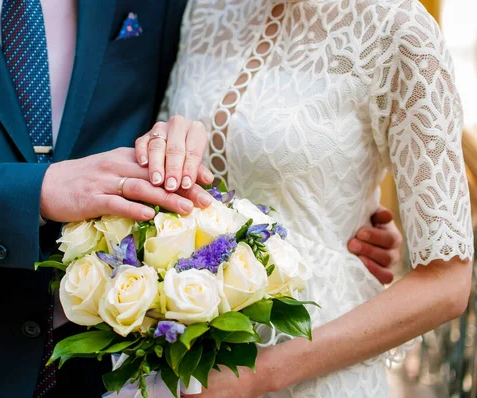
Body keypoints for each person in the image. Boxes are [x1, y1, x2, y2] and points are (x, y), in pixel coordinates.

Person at [0, 1, 402, 397]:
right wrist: (36, 192)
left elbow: (225, 113)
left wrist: (331, 212)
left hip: (127, 375)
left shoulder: (171, 4)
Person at [143, 0, 474, 397]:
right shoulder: (204, 11)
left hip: (314, 371)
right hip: (180, 358)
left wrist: (256, 377)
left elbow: (447, 283)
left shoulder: (400, 29)